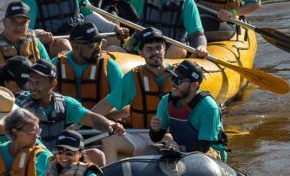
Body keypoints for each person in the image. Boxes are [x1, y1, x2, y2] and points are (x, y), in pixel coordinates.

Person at [18, 59, 124, 165]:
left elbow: (92, 119)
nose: (32, 87)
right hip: (31, 161)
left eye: (38, 83)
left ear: (53, 83)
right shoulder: (19, 105)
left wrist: (110, 125)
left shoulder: (66, 104)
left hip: (57, 159)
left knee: (96, 155)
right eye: (30, 82)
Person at [91, 28, 174, 162]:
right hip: (140, 135)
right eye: (149, 49)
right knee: (110, 140)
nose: (155, 52)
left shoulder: (178, 75)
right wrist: (78, 123)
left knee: (169, 141)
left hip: (168, 136)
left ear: (164, 48)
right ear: (141, 53)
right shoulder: (133, 77)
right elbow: (107, 103)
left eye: (159, 47)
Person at [149, 60, 227, 161]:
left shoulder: (209, 107)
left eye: (178, 81)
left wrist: (180, 149)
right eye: (172, 78)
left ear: (194, 85)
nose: (173, 84)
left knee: (199, 160)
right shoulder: (166, 101)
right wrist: (155, 129)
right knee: (144, 151)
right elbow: (155, 138)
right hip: (178, 149)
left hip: (209, 153)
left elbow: (204, 146)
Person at [54, 22, 124, 107]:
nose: (98, 48)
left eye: (99, 42)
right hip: (65, 119)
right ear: (75, 46)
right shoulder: (56, 65)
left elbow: (125, 106)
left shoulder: (109, 66)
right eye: (92, 44)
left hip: (99, 119)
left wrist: (92, 115)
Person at [0, 1, 53, 68]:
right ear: (4, 22)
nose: (18, 26)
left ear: (28, 24)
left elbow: (49, 70)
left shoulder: (36, 44)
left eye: (23, 22)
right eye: (13, 21)